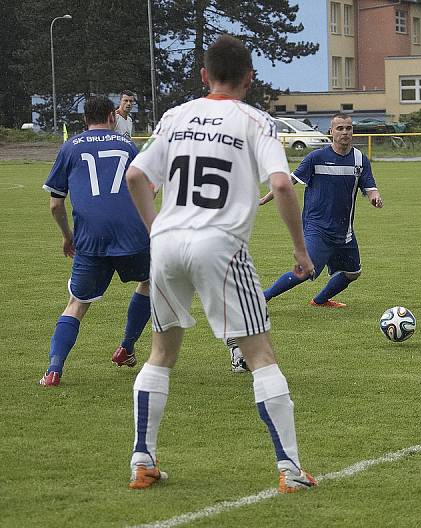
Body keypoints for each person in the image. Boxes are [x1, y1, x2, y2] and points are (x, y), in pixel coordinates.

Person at [123, 34, 317, 493]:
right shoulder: (257, 120)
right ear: (250, 78)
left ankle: (142, 459)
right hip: (222, 245)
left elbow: (135, 175)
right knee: (260, 355)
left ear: (204, 75)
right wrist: (300, 250)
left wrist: (156, 230)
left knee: (161, 354)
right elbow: (284, 185)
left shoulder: (176, 116)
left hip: (168, 243)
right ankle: (290, 469)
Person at [39, 96, 150, 387]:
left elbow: (55, 204)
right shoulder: (127, 145)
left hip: (91, 236)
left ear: (84, 119)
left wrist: (67, 237)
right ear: (113, 116)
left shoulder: (70, 147)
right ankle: (126, 346)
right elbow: (145, 191)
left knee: (77, 303)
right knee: (152, 282)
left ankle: (54, 370)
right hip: (131, 234)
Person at [258, 112, 384, 310]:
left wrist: (375, 197)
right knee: (307, 269)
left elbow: (370, 186)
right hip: (317, 228)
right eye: (340, 128)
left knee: (353, 272)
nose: (345, 132)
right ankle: (262, 298)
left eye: (348, 128)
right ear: (331, 131)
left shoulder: (360, 159)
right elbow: (288, 181)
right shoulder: (316, 157)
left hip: (344, 231)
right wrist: (266, 198)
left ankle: (320, 300)